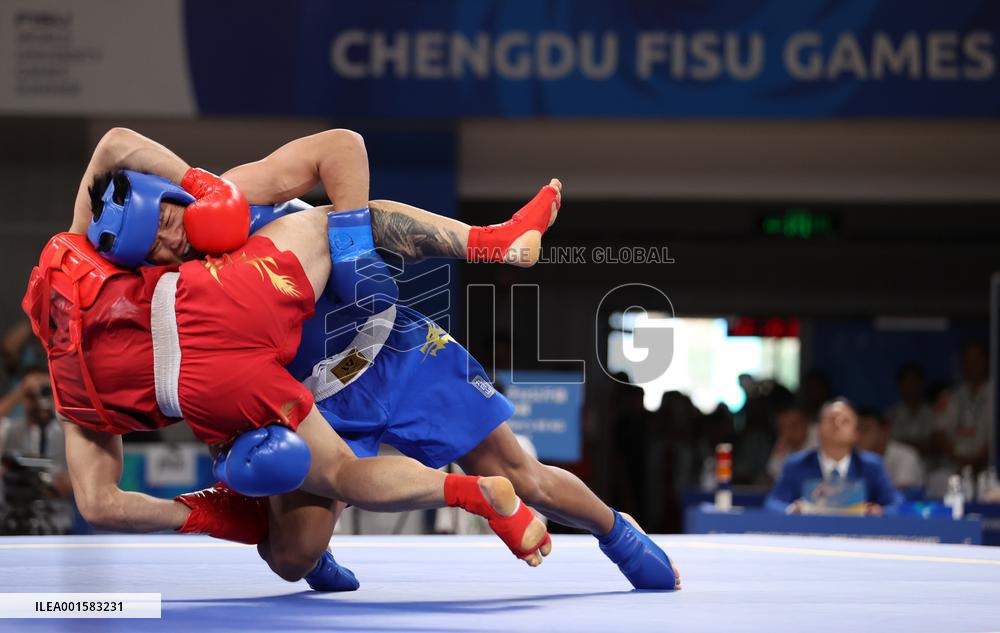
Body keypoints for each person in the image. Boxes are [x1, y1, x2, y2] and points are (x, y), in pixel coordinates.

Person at [87, 127, 680, 592]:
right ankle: (318, 548)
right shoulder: (166, 299)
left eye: (167, 218)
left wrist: (348, 242)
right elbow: (212, 387)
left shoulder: (234, 192)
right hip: (316, 407)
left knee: (522, 473)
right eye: (156, 245)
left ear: (170, 194)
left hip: (396, 346)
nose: (172, 240)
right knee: (290, 559)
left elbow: (341, 147)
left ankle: (618, 535)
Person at [765, 399, 903, 515]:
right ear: (818, 429)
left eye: (845, 421)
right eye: (831, 419)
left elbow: (897, 504)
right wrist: (792, 509)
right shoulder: (796, 464)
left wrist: (879, 511)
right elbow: (772, 503)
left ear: (856, 433)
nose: (837, 424)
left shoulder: (871, 465)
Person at [0, 366, 73, 533]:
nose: (38, 400)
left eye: (45, 392)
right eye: (31, 395)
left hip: (55, 516)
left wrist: (69, 483)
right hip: (11, 515)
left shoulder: (66, 432)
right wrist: (20, 391)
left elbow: (82, 476)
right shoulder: (9, 430)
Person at [934, 341, 993, 473]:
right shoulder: (950, 396)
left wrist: (977, 461)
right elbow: (939, 434)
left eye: (976, 360)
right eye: (967, 361)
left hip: (988, 467)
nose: (971, 366)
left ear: (987, 362)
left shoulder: (995, 395)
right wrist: (958, 459)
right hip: (954, 466)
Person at [857, 408, 924, 489]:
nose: (860, 436)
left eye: (865, 429)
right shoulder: (856, 457)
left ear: (885, 431)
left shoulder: (906, 455)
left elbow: (901, 493)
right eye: (857, 430)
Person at [885, 363, 936, 453]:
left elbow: (936, 446)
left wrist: (906, 443)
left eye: (915, 382)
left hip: (932, 466)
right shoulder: (892, 415)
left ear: (921, 384)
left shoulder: (933, 412)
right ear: (900, 385)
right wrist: (920, 444)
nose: (911, 386)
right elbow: (891, 445)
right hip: (902, 466)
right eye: (907, 382)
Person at [765, 403, 815, 482]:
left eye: (793, 426)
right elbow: (773, 476)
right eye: (783, 427)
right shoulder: (783, 441)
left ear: (806, 423)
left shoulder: (823, 436)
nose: (788, 431)